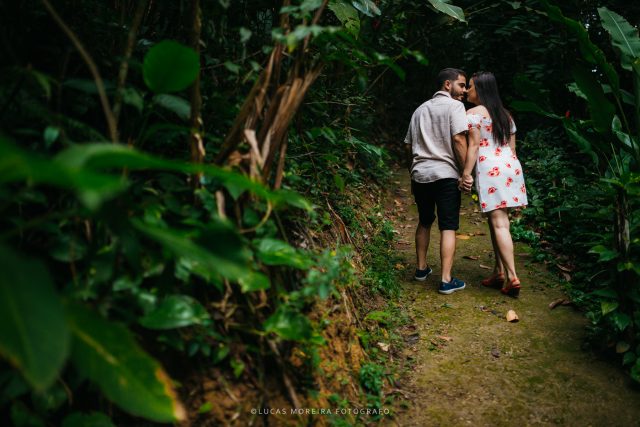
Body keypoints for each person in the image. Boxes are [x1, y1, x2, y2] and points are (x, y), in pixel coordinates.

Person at [460, 71, 528, 297]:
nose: (467, 90)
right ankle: (499, 272)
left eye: (470, 86)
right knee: (497, 220)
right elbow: (512, 148)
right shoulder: (505, 115)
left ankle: (512, 276)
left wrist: (466, 174)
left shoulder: (473, 114)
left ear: (480, 89)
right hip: (511, 167)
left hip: (490, 169)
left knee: (499, 224)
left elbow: (473, 146)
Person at [404, 68, 469, 295]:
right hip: (445, 175)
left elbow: (408, 146)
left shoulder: (420, 110)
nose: (465, 90)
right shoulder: (455, 107)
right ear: (447, 84)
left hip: (420, 175)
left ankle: (421, 269)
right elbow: (459, 139)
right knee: (448, 226)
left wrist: (412, 169)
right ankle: (445, 280)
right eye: (462, 85)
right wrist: (466, 172)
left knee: (424, 221)